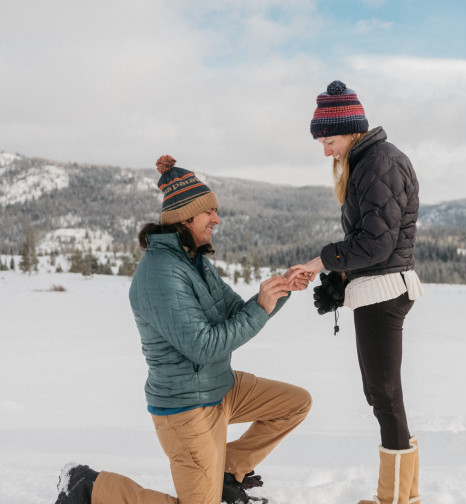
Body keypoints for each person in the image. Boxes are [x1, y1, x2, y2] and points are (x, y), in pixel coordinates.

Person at [54, 155, 313, 504]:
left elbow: (237, 312)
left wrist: (281, 289)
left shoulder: (193, 262)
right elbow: (203, 347)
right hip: (187, 407)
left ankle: (225, 473)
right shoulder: (161, 274)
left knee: (294, 403)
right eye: (210, 213)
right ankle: (87, 486)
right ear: (185, 217)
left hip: (220, 387)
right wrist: (262, 306)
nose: (217, 220)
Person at [288, 80, 423, 504]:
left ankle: (395, 500)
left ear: (349, 129)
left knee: (384, 395)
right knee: (381, 394)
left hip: (384, 292)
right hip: (378, 287)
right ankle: (404, 496)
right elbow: (373, 238)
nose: (326, 150)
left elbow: (378, 244)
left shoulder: (378, 162)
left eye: (328, 140)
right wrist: (342, 279)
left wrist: (321, 262)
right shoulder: (371, 160)